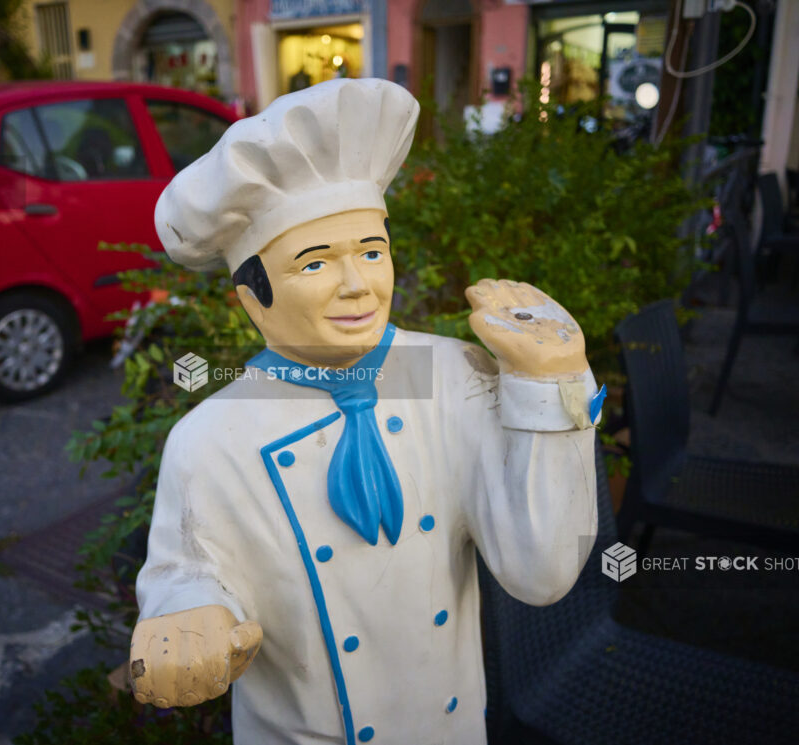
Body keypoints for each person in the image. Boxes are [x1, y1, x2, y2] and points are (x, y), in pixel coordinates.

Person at [128, 78, 603, 745]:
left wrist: (551, 389)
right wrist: (189, 614)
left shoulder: (453, 376)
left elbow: (544, 572)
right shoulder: (209, 438)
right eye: (316, 262)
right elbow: (189, 573)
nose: (358, 284)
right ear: (251, 296)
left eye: (372, 252)